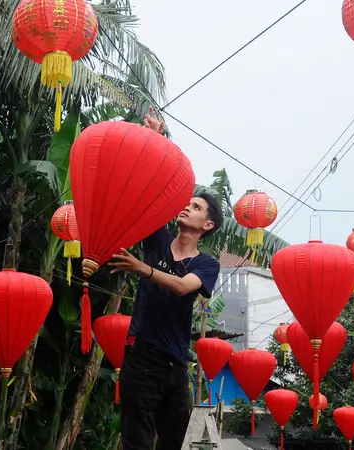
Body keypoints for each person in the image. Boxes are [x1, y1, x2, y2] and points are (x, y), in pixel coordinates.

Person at [107, 107, 223, 450]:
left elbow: (182, 287)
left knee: (174, 441)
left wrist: (142, 268)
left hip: (176, 364)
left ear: (208, 226)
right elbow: (149, 189)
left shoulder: (206, 264)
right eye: (187, 203)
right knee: (137, 441)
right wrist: (156, 139)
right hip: (141, 356)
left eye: (197, 207)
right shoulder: (157, 239)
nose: (187, 207)